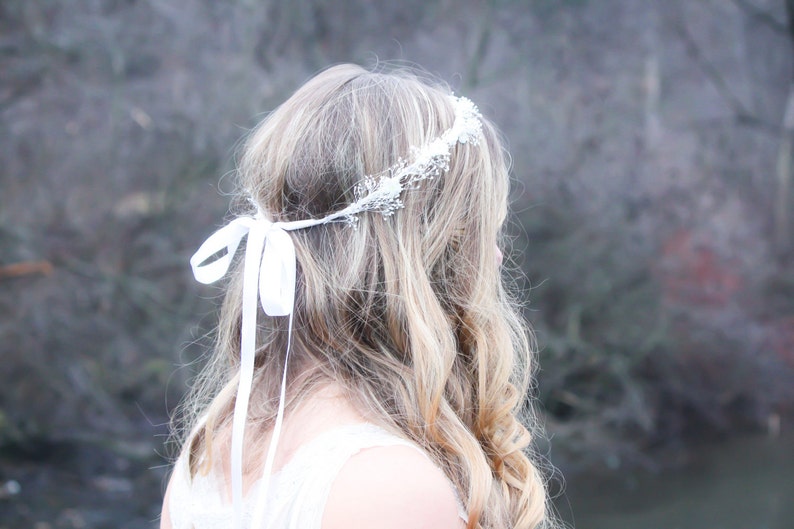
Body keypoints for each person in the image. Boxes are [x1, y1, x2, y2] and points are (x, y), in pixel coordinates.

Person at [161, 63, 552, 529]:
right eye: (480, 230)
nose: (495, 255)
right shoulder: (389, 485)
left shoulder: (216, 446)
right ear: (424, 251)